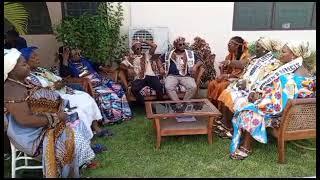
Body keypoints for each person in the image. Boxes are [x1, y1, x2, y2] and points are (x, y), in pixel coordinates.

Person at [4, 48, 96, 177]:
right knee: (69, 138)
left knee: (76, 122)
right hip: (31, 135)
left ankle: (82, 159)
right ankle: (71, 167)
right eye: (24, 65)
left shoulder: (24, 81)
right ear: (10, 70)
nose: (28, 67)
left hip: (44, 122)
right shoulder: (11, 89)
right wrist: (55, 117)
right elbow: (25, 120)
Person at [229, 41, 316, 160]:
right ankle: (245, 139)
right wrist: (261, 95)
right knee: (251, 104)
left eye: (284, 51)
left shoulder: (295, 74)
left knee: (250, 111)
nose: (281, 53)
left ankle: (246, 146)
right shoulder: (297, 69)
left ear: (293, 55)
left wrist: (260, 101)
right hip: (290, 108)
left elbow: (282, 101)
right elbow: (280, 92)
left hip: (289, 114)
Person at [19, 46, 111, 138]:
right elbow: (38, 93)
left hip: (64, 91)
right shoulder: (29, 77)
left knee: (86, 97)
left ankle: (96, 128)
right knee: (80, 106)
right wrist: (54, 86)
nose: (37, 58)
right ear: (25, 62)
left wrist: (62, 82)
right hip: (55, 98)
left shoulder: (41, 70)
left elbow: (58, 79)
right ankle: (85, 135)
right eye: (33, 57)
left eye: (37, 56)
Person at [215, 37, 283, 138]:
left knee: (236, 98)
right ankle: (227, 124)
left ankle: (232, 129)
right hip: (247, 86)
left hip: (258, 92)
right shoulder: (256, 59)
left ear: (265, 49)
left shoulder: (273, 63)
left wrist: (253, 89)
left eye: (258, 47)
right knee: (227, 91)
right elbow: (246, 71)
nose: (256, 49)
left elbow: (268, 81)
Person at [67, 48, 132, 124]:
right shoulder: (70, 65)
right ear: (71, 56)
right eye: (76, 54)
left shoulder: (85, 60)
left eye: (79, 54)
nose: (78, 56)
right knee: (108, 94)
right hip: (89, 83)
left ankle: (125, 114)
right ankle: (112, 118)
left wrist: (104, 68)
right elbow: (66, 75)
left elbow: (97, 66)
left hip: (99, 78)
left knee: (118, 88)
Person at [207, 36, 250, 106]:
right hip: (229, 78)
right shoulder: (229, 56)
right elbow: (226, 71)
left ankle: (218, 109)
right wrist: (222, 71)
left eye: (229, 45)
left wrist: (228, 66)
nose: (228, 47)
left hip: (239, 80)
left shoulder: (246, 56)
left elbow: (242, 66)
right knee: (212, 83)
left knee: (220, 87)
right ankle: (212, 106)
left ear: (237, 46)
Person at [159, 37, 203, 103]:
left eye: (183, 44)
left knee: (193, 87)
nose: (182, 46)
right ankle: (178, 103)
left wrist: (195, 66)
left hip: (186, 76)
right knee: (168, 87)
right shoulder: (169, 54)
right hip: (172, 76)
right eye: (180, 45)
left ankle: (184, 103)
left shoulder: (189, 53)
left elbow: (200, 61)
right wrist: (160, 68)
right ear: (175, 45)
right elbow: (159, 59)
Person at [119, 39, 164, 105]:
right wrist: (128, 68)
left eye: (141, 48)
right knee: (134, 89)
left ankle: (160, 104)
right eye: (137, 48)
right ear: (133, 49)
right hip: (139, 78)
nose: (140, 50)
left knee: (159, 87)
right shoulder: (129, 57)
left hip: (150, 76)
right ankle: (144, 106)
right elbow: (121, 65)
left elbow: (154, 46)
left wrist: (143, 41)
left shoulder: (146, 55)